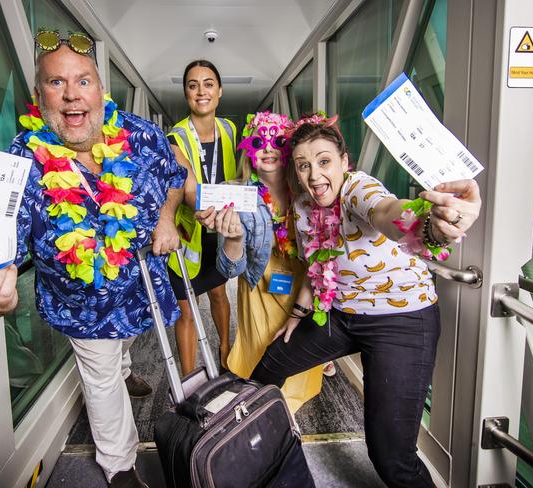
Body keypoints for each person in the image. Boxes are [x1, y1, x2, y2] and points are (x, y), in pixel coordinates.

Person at [0, 31, 187, 488]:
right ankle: (120, 466)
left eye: (83, 81)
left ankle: (126, 366)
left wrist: (168, 218)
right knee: (101, 379)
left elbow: (175, 174)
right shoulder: (20, 162)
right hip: (81, 308)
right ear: (39, 96)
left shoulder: (140, 134)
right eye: (56, 83)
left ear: (100, 90)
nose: (71, 93)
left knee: (123, 351)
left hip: (139, 290)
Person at [229, 114, 480, 487]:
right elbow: (317, 263)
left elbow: (387, 213)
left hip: (401, 321)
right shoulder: (302, 208)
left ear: (345, 162)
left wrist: (431, 222)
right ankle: (261, 447)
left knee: (390, 454)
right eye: (304, 166)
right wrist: (298, 314)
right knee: (270, 365)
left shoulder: (357, 189)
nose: (314, 174)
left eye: (324, 161)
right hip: (341, 315)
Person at [196, 111, 326, 414]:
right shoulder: (236, 195)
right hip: (258, 288)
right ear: (249, 150)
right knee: (262, 353)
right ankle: (263, 409)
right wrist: (234, 238)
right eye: (259, 141)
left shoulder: (311, 192)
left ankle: (282, 413)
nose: (268, 148)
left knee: (298, 354)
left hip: (302, 287)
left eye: (277, 141)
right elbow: (229, 270)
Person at [167, 60, 237, 374]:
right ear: (186, 93)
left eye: (208, 83)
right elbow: (190, 187)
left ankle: (225, 350)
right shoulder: (175, 137)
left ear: (219, 91)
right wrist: (204, 208)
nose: (201, 91)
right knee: (187, 311)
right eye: (193, 85)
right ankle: (189, 379)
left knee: (220, 294)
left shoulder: (230, 129)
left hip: (221, 232)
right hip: (190, 234)